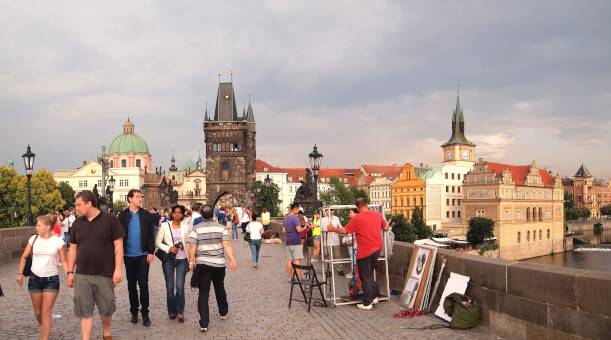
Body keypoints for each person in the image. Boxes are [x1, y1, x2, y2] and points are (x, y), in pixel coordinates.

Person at [67, 190, 124, 340]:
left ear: (89, 203)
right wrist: (69, 272)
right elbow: (72, 248)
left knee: (106, 308)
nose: (76, 208)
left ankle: (106, 330)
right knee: (84, 310)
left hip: (105, 273)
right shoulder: (77, 223)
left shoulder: (110, 220)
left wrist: (118, 270)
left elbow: (118, 245)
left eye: (79, 205)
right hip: (82, 274)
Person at [325, 198, 389, 310]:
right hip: (377, 249)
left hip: (365, 251)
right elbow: (386, 227)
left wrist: (332, 229)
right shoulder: (377, 215)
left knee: (365, 277)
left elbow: (345, 231)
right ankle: (374, 296)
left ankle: (367, 303)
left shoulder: (357, 218)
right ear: (366, 205)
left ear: (358, 208)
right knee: (369, 274)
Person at [16, 214, 68, 340]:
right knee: (38, 312)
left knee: (46, 312)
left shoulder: (58, 242)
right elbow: (24, 256)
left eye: (39, 225)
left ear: (48, 227)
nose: (36, 228)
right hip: (34, 279)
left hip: (51, 280)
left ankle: (44, 337)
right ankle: (45, 327)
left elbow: (64, 261)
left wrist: (69, 274)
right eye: (37, 225)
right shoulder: (33, 239)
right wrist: (19, 273)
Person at [188, 204, 237, 332]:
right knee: (219, 287)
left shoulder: (196, 228)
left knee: (203, 293)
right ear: (213, 215)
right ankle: (223, 312)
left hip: (203, 265)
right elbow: (226, 243)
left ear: (201, 215)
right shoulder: (221, 228)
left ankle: (204, 323)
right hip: (219, 264)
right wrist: (232, 259)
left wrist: (191, 261)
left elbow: (192, 246)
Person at [117, 189, 155, 326]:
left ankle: (145, 313)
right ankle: (134, 312)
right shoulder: (122, 216)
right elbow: (118, 237)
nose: (140, 199)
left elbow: (151, 234)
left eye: (141, 196)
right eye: (137, 197)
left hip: (143, 255)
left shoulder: (146, 215)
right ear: (130, 199)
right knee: (131, 285)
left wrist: (151, 251)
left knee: (143, 284)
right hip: (128, 256)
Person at [156, 205, 190, 323]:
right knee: (170, 287)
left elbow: (189, 243)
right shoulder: (165, 226)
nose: (177, 214)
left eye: (179, 212)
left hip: (182, 259)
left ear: (182, 214)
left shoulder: (186, 226)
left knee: (179, 287)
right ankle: (172, 310)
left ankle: (180, 311)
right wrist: (169, 248)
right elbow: (158, 242)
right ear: (172, 214)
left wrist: (191, 261)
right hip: (169, 259)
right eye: (175, 212)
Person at [283, 203, 307, 281]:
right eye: (298, 209)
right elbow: (298, 230)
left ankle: (290, 278)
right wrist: (305, 228)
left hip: (288, 241)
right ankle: (299, 278)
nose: (298, 211)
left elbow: (283, 230)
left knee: (289, 260)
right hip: (296, 241)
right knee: (297, 260)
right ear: (295, 209)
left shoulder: (286, 218)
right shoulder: (295, 218)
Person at [320, 209, 344, 275]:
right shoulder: (322, 219)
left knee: (338, 255)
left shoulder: (336, 218)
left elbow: (340, 227)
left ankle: (340, 270)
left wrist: (344, 231)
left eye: (329, 210)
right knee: (328, 256)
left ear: (332, 211)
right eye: (326, 211)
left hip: (335, 240)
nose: (327, 212)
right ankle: (329, 270)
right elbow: (320, 228)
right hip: (327, 241)